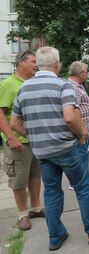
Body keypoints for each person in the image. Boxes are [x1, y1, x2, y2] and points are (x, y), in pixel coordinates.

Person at [10, 46, 89, 250]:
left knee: (51, 192)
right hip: (68, 148)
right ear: (57, 64)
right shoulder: (63, 86)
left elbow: (14, 123)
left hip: (43, 152)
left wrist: (34, 138)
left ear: (38, 65)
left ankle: (56, 236)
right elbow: (69, 116)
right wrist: (82, 133)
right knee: (83, 188)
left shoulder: (24, 88)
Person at [0, 50, 43, 231]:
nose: (36, 65)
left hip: (34, 140)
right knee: (18, 179)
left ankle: (35, 207)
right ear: (21, 63)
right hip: (17, 141)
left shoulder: (33, 82)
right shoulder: (8, 84)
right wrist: (10, 137)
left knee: (34, 175)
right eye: (33, 61)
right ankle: (22, 215)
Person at [68, 61, 89, 147]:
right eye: (86, 71)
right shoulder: (73, 87)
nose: (87, 74)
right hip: (80, 131)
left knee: (83, 154)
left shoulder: (78, 85)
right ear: (80, 73)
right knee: (81, 155)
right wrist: (82, 129)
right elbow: (73, 110)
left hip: (84, 129)